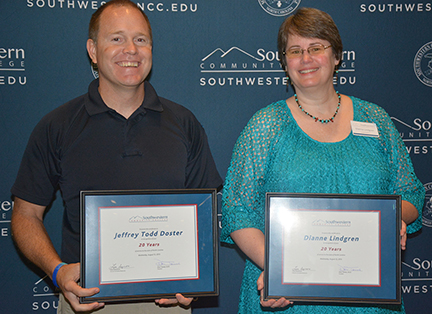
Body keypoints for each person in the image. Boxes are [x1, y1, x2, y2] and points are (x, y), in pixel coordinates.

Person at [10, 0, 222, 313]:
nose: (131, 50)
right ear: (93, 51)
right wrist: (57, 271)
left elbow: (206, 212)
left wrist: (198, 274)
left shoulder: (184, 122)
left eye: (141, 39)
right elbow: (25, 214)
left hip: (167, 303)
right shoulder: (57, 126)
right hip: (87, 300)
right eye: (116, 38)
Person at [221, 7, 424, 314]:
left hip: (369, 295)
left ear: (337, 55)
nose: (306, 59)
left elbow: (410, 193)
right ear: (284, 62)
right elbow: (238, 211)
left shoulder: (376, 119)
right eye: (295, 50)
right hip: (288, 298)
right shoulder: (264, 126)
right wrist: (281, 271)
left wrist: (397, 218)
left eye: (316, 48)